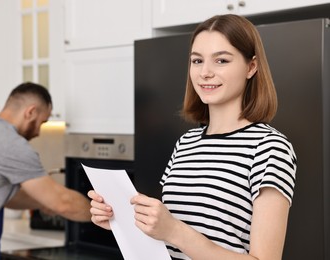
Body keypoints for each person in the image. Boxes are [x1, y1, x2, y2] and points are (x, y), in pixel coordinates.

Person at [88, 14, 297, 260]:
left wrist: (175, 231)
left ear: (251, 67)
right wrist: (121, 222)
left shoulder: (270, 148)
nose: (205, 72)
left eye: (221, 60)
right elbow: (170, 242)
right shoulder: (187, 142)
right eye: (197, 61)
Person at [0, 82, 91, 259]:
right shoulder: (9, 143)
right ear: (31, 112)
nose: (38, 133)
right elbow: (63, 202)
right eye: (42, 122)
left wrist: (42, 203)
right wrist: (106, 214)